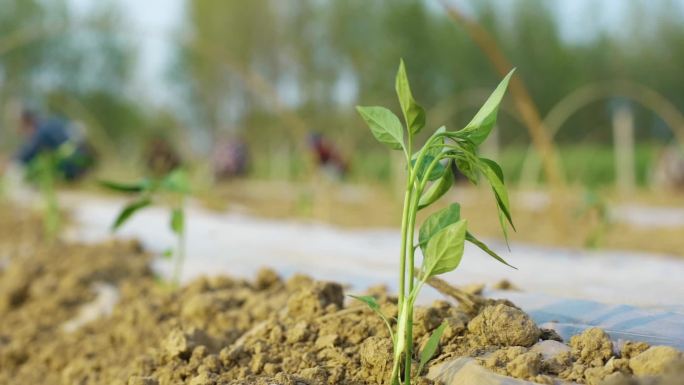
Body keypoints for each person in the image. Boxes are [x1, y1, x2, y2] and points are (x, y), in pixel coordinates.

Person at [14, 109, 95, 181]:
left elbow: (28, 153)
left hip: (73, 166)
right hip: (85, 162)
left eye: (23, 129)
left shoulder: (42, 130)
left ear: (28, 123)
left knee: (38, 168)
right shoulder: (53, 121)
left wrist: (12, 160)